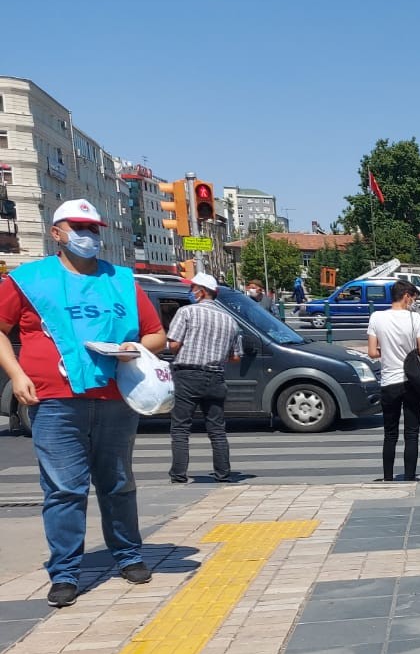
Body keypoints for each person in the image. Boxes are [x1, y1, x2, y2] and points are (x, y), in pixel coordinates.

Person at [0, 199, 168, 607]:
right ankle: (65, 574)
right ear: (56, 232)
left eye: (93, 228)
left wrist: (133, 347)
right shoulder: (27, 279)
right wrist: (17, 376)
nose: (88, 235)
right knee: (64, 489)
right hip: (54, 400)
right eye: (78, 227)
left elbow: (156, 336)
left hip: (115, 398)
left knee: (118, 484)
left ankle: (128, 557)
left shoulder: (123, 281)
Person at [166, 271, 242, 484]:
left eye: (192, 288)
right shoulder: (230, 320)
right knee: (217, 429)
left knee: (181, 427)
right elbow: (235, 357)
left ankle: (179, 474)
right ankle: (223, 473)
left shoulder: (186, 312)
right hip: (216, 377)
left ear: (201, 291)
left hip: (187, 374)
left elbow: (173, 345)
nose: (191, 292)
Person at [366, 280, 420, 481]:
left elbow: (371, 352)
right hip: (411, 383)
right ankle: (410, 476)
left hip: (389, 382)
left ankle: (387, 477)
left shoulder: (376, 317)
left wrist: (387, 351)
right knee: (411, 433)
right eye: (413, 298)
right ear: (406, 296)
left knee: (390, 433)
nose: (413, 302)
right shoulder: (415, 319)